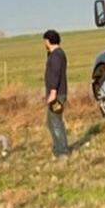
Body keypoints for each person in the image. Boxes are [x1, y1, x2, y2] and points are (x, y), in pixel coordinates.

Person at [42, 30, 69, 158]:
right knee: (51, 121)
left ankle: (62, 151)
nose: (44, 43)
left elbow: (55, 74)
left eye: (45, 41)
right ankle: (58, 147)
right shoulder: (56, 54)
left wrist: (52, 92)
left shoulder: (56, 56)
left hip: (57, 95)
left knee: (55, 122)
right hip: (57, 93)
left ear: (48, 40)